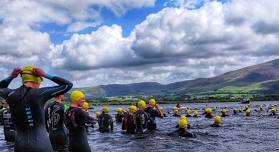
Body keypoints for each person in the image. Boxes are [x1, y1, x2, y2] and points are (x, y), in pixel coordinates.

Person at [0, 66, 73, 152]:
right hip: (41, 145)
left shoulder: (10, 94)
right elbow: (68, 85)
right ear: (36, 79)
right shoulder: (39, 93)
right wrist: (45, 74)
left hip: (20, 146)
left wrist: (11, 77)